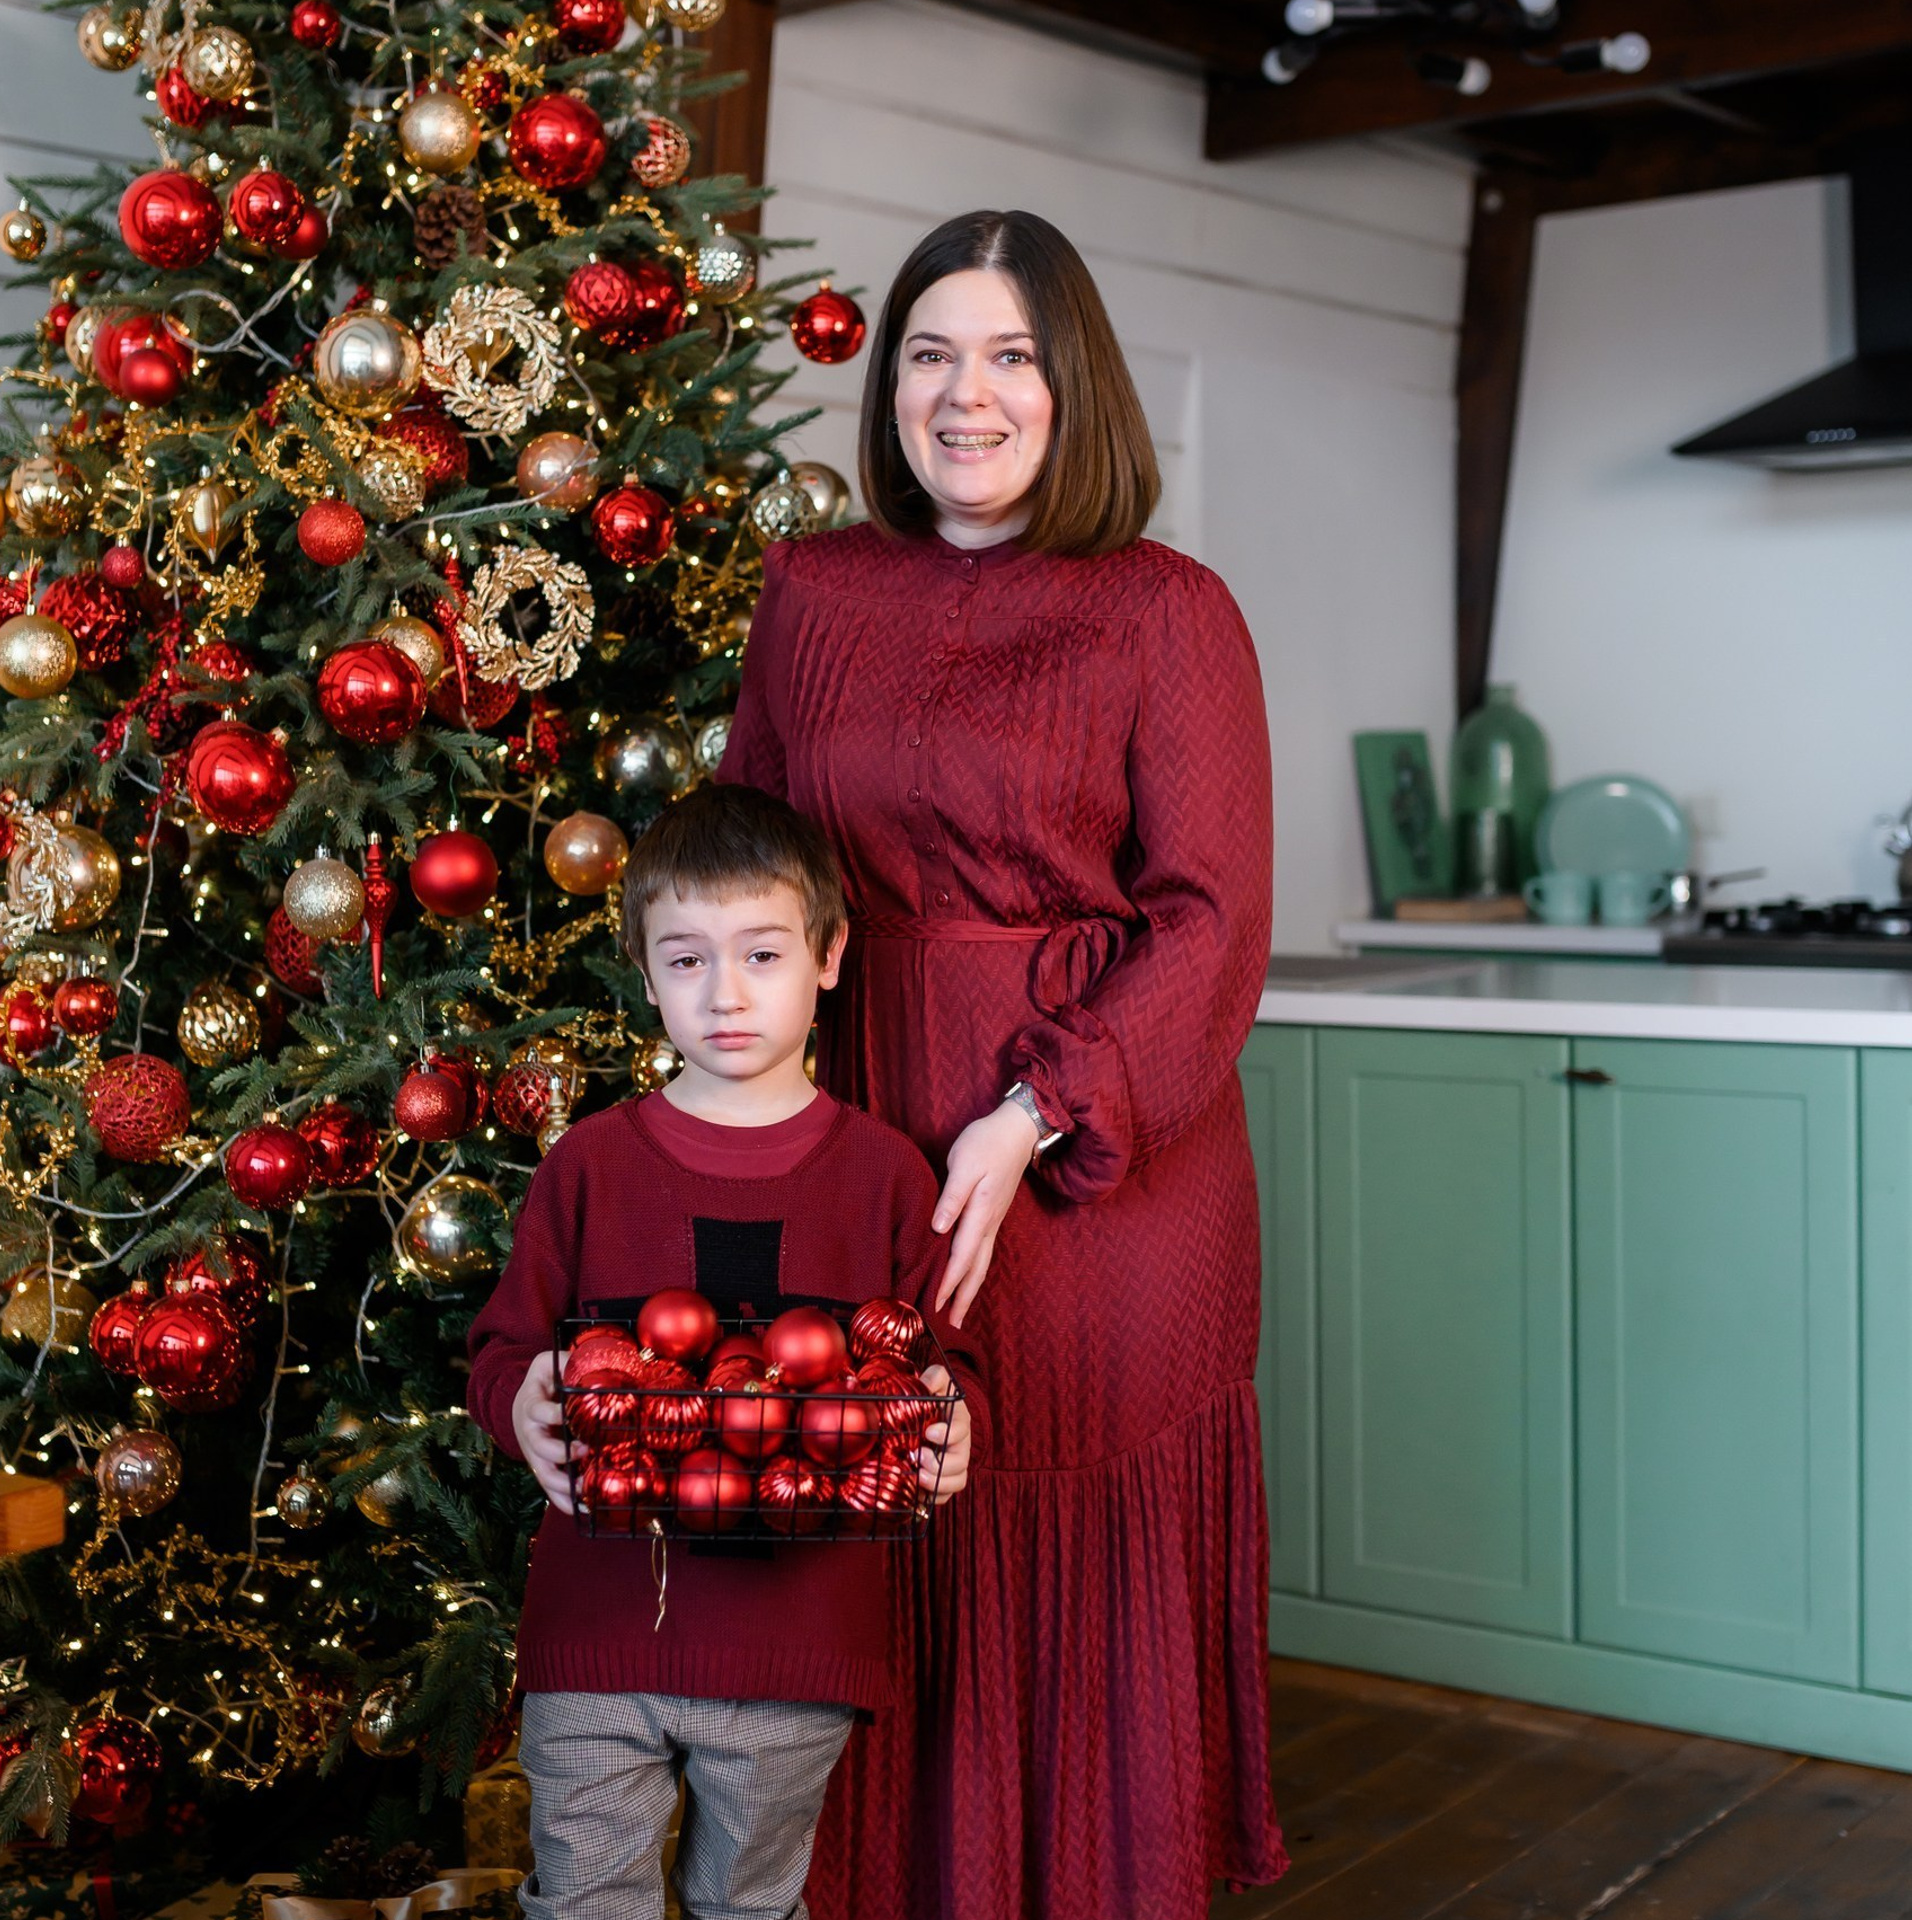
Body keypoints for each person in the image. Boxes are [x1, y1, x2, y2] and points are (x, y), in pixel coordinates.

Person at [717, 208, 1287, 1919]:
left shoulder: (1170, 611)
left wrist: (1030, 1114)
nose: (966, 394)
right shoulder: (811, 591)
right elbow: (753, 872)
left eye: (1011, 356)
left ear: (1074, 384)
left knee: (1048, 1538)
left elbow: (1212, 922)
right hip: (862, 1131)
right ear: (890, 385)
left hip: (1099, 1175)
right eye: (930, 354)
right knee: (879, 1522)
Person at [465, 782, 986, 1920]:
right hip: (599, 1639)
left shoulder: (886, 1177)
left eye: (761, 954)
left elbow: (945, 1361)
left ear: (828, 958)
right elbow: (505, 1349)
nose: (726, 994)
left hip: (795, 1653)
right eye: (687, 960)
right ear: (646, 976)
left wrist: (953, 1425)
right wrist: (522, 1405)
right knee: (587, 1902)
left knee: (748, 1907)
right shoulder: (589, 1167)